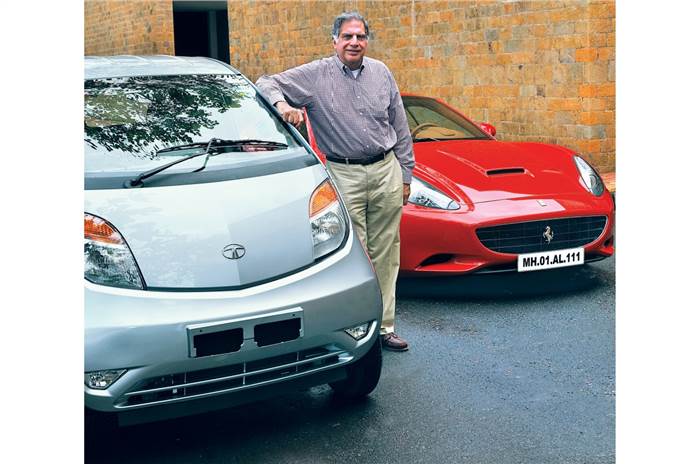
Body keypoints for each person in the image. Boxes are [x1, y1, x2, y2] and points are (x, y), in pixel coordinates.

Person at [256, 11, 415, 351]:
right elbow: (265, 82)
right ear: (335, 41)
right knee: (352, 253)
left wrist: (406, 173)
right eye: (347, 37)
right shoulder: (316, 75)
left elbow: (400, 126)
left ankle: (385, 326)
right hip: (344, 173)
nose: (354, 42)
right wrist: (284, 105)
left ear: (367, 41)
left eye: (360, 36)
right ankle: (356, 326)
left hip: (386, 168)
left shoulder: (381, 72)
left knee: (387, 251)